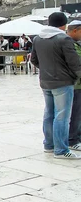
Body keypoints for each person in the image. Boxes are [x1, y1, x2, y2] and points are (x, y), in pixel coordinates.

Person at [31, 13, 81, 159]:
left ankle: (49, 145)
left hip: (45, 81)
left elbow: (34, 60)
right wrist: (74, 76)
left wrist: (47, 70)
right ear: (64, 25)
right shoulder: (64, 39)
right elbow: (75, 63)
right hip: (63, 82)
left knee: (49, 113)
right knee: (62, 116)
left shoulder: (38, 38)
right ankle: (61, 150)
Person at [67, 20, 81, 149]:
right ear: (75, 30)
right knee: (75, 113)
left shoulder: (76, 43)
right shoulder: (69, 44)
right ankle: (72, 139)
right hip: (75, 84)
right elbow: (75, 64)